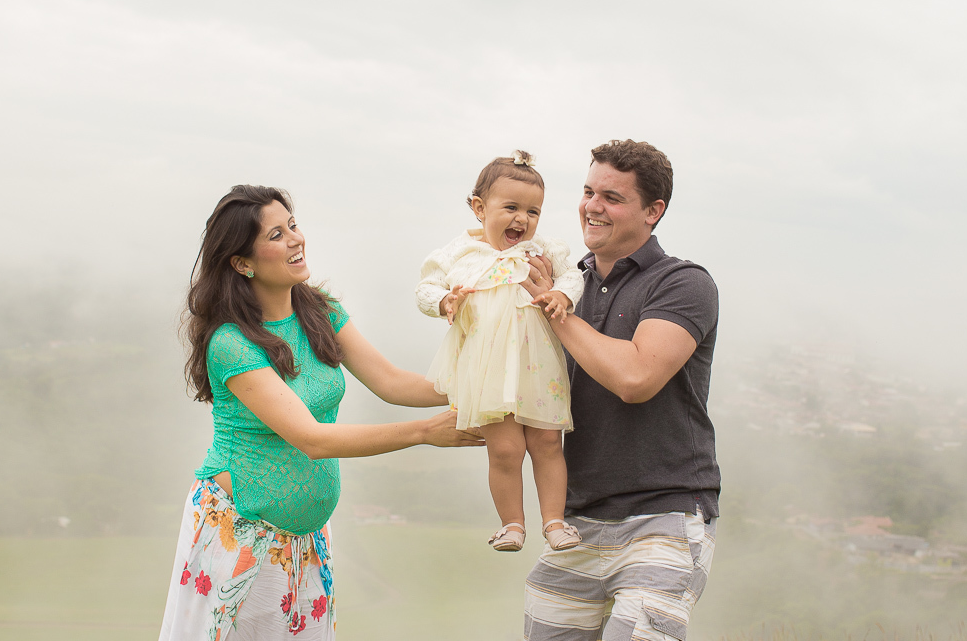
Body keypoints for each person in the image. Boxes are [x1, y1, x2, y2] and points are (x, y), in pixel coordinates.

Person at [159, 185, 484, 641]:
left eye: (292, 225)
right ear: (242, 262)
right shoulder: (231, 343)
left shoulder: (321, 311)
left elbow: (392, 382)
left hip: (306, 541)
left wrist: (485, 388)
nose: (295, 239)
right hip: (239, 535)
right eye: (276, 234)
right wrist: (425, 431)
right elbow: (311, 439)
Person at [522, 140, 720, 641]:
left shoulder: (683, 282)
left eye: (611, 197)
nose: (592, 206)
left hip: (664, 515)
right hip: (576, 521)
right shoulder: (568, 284)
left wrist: (554, 308)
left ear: (654, 211)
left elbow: (636, 379)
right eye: (588, 192)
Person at [416, 151, 585, 553]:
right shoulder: (457, 254)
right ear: (479, 208)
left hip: (538, 363)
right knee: (505, 448)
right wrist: (444, 302)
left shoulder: (542, 250)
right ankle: (512, 524)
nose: (522, 220)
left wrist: (561, 293)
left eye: (533, 211)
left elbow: (572, 276)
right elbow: (424, 289)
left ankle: (555, 522)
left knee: (546, 443)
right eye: (511, 207)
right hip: (488, 369)